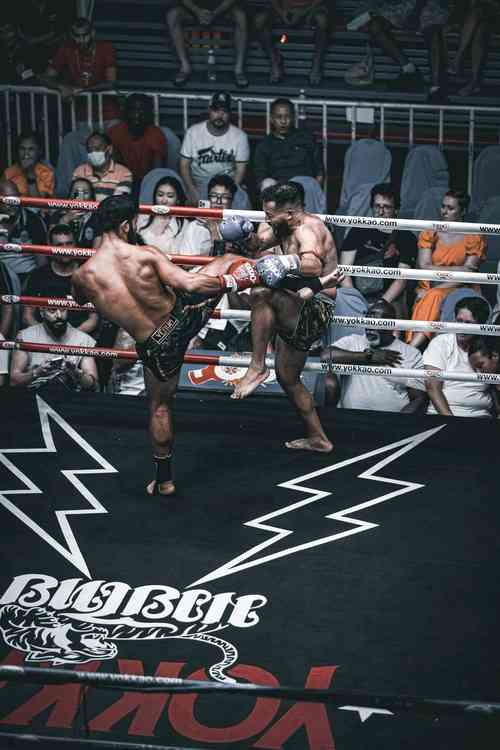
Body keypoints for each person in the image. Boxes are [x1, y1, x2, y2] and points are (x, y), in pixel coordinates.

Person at [71, 194, 339, 494]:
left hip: (156, 345)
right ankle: (299, 287)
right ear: (125, 225)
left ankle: (164, 480)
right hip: (184, 315)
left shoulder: (83, 275)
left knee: (159, 407)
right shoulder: (144, 255)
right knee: (229, 263)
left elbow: (80, 300)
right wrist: (234, 282)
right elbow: (189, 285)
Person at [220, 181, 343, 452]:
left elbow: (312, 264)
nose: (266, 219)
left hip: (316, 306)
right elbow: (260, 244)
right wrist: (244, 235)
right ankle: (319, 439)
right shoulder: (284, 226)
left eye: (269, 215)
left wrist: (286, 262)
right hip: (297, 303)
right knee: (288, 377)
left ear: (289, 213)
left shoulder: (309, 230)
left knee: (262, 293)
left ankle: (257, 366)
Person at [407, 189, 487, 350]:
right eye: (443, 206)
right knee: (432, 294)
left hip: (460, 286)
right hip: (430, 283)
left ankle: (411, 348)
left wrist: (449, 277)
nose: (444, 211)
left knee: (433, 295)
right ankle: (414, 348)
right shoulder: (430, 231)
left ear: (462, 211)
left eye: (450, 208)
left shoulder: (473, 235)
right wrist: (460, 269)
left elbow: (469, 274)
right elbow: (424, 265)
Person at [321, 299, 428, 413]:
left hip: (391, 422)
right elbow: (326, 356)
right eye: (368, 320)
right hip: (352, 419)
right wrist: (368, 356)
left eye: (376, 321)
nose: (370, 327)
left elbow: (418, 398)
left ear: (391, 324)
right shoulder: (353, 341)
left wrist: (398, 424)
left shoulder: (410, 353)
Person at [345, 0, 449, 103]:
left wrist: (416, 12)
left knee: (434, 30)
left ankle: (436, 88)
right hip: (400, 6)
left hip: (428, 6)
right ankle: (409, 69)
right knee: (374, 25)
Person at [339, 184, 417, 319]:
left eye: (386, 207)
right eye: (377, 206)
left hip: (389, 298)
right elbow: (344, 272)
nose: (380, 212)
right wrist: (355, 300)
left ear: (396, 209)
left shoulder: (406, 237)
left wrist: (381, 304)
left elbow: (401, 280)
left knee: (392, 315)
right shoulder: (358, 230)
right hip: (356, 295)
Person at [423, 296, 495, 417]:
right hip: (442, 417)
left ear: (481, 324)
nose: (461, 327)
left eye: (468, 323)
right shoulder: (441, 342)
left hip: (481, 418)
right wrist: (452, 422)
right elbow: (432, 387)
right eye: (459, 321)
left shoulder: (489, 347)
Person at [22, 223, 99, 335]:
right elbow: (27, 317)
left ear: (75, 245)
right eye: (59, 245)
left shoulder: (87, 273)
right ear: (51, 247)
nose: (65, 249)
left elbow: (93, 319)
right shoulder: (38, 275)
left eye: (69, 243)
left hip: (79, 337)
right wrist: (48, 338)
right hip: (45, 337)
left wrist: (69, 339)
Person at [179, 91, 249, 206]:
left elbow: (240, 171)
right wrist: (191, 189)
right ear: (209, 110)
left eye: (224, 111)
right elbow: (184, 165)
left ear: (230, 113)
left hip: (226, 185)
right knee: (195, 210)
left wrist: (230, 192)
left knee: (243, 201)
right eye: (216, 110)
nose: (220, 115)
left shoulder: (240, 136)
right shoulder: (193, 132)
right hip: (199, 184)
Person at [10, 307, 98, 391]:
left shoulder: (83, 339)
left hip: (71, 399)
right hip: (33, 396)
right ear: (42, 312)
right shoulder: (25, 336)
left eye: (63, 310)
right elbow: (14, 381)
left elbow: (93, 385)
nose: (59, 315)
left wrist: (76, 373)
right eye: (52, 310)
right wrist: (36, 372)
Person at [165, 0, 248, 87]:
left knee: (240, 16)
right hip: (194, 9)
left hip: (221, 9)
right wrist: (197, 11)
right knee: (172, 15)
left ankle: (239, 69)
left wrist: (214, 13)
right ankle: (185, 67)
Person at [253, 98, 324, 193]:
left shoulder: (306, 138)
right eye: (279, 117)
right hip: (278, 191)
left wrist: (314, 190)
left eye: (287, 116)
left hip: (304, 188)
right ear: (271, 119)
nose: (283, 121)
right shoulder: (264, 145)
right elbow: (260, 178)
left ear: (294, 117)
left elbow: (319, 171)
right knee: (267, 183)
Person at [254, 0, 331, 85]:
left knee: (322, 20)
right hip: (284, 9)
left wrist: (304, 12)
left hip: (311, 9)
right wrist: (281, 13)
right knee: (259, 20)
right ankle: (275, 60)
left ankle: (317, 63)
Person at [108, 94, 168, 185]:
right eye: (133, 110)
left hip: (148, 182)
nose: (136, 115)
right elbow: (113, 167)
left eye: (141, 110)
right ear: (126, 112)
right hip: (121, 180)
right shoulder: (115, 132)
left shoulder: (156, 134)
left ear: (148, 113)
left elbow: (157, 172)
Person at [0, 179, 47, 287]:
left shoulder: (33, 220)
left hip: (28, 276)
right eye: (7, 199)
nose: (12, 204)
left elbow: (42, 262)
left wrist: (32, 281)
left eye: (15, 198)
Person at [448, 0, 500, 97]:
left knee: (478, 11)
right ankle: (474, 82)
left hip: (494, 16)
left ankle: (457, 59)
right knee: (480, 32)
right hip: (481, 20)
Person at [72, 131, 133, 202]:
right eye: (89, 150)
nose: (93, 153)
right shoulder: (79, 172)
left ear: (109, 150)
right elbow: (78, 202)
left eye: (97, 149)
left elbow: (117, 204)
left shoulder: (124, 173)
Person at [137, 175, 189, 254]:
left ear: (178, 200)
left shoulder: (184, 224)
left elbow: (179, 254)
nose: (164, 201)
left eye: (170, 196)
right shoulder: (142, 217)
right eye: (160, 195)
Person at [49, 178, 101, 248]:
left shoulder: (97, 217)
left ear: (91, 198)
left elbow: (97, 249)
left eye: (85, 192)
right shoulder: (58, 214)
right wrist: (65, 220)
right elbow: (50, 242)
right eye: (76, 192)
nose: (80, 196)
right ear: (70, 195)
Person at [2, 130, 55, 198]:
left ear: (39, 151)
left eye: (31, 149)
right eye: (22, 149)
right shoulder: (9, 172)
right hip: (13, 207)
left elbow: (38, 204)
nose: (26, 154)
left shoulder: (46, 173)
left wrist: (30, 172)